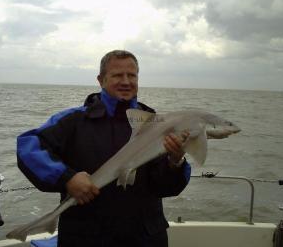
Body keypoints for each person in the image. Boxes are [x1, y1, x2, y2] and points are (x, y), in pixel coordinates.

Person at [17, 50, 191, 247]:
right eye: (117, 75)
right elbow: (28, 146)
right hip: (85, 238)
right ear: (101, 80)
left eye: (132, 75)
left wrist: (175, 162)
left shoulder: (155, 123)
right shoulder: (74, 120)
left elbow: (164, 187)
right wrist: (67, 177)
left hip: (145, 237)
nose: (126, 81)